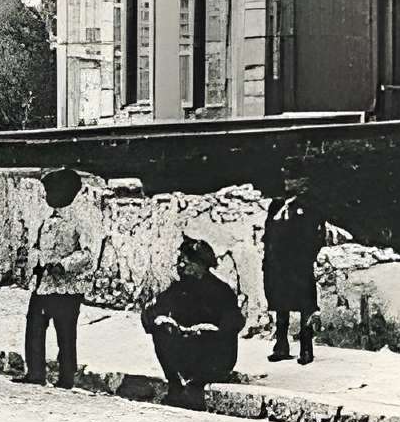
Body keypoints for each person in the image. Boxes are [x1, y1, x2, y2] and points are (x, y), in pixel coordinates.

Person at [141, 235, 241, 408]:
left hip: (214, 358)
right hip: (187, 352)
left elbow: (234, 323)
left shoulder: (221, 291)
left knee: (206, 338)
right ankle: (175, 385)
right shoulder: (179, 288)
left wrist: (207, 330)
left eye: (185, 262)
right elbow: (153, 312)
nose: (180, 266)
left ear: (199, 265)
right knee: (161, 331)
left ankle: (195, 387)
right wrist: (159, 320)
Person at [262, 171, 345, 365]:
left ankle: (306, 349)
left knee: (304, 303)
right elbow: (269, 235)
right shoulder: (276, 206)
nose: (288, 182)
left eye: (294, 178)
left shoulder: (309, 207)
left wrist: (306, 257)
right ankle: (281, 345)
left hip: (298, 264)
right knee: (280, 304)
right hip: (278, 264)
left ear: (304, 183)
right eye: (287, 178)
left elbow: (315, 235)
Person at [21, 166, 91, 389]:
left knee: (66, 332)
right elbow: (35, 248)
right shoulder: (45, 220)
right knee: (34, 326)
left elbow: (88, 255)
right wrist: (38, 261)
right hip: (43, 284)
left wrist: (64, 265)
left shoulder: (79, 221)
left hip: (66, 288)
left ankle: (66, 376)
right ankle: (35, 371)